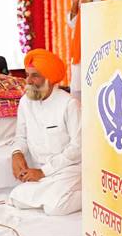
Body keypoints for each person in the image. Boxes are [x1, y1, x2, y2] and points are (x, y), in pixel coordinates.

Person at [8, 49, 81, 216]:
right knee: (17, 197)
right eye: (27, 75)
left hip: (68, 169)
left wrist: (43, 172)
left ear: (49, 78)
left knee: (55, 207)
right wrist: (16, 153)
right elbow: (21, 136)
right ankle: (50, 192)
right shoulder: (25, 102)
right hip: (41, 171)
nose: (28, 81)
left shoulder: (69, 104)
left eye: (35, 76)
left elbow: (77, 148)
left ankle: (91, 193)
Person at [67, 0, 113, 100]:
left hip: (102, 55)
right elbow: (73, 25)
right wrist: (75, 3)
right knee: (78, 100)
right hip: (82, 55)